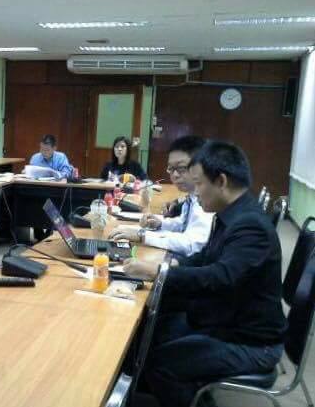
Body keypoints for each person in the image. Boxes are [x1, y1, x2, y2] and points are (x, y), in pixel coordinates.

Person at [123, 141, 287, 407]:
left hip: (252, 342)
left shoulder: (250, 226)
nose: (195, 192)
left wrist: (160, 271)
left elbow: (219, 278)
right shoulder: (232, 213)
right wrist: (168, 269)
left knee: (162, 364)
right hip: (228, 318)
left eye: (198, 184)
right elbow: (205, 258)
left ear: (221, 181)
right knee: (155, 325)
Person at [108, 136, 213, 257]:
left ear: (200, 167)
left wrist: (142, 235)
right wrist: (160, 224)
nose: (175, 175)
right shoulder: (192, 196)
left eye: (181, 168)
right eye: (171, 168)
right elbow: (183, 224)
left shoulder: (206, 201)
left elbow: (192, 244)